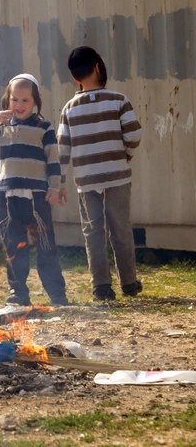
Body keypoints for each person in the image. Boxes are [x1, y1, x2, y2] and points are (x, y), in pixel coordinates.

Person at [58, 46, 143, 302]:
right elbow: (134, 134)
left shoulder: (69, 108)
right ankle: (129, 282)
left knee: (93, 231)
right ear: (98, 67)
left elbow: (63, 148)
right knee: (121, 228)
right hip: (117, 174)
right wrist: (124, 155)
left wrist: (59, 180)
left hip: (86, 180)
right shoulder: (118, 100)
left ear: (75, 77)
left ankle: (101, 287)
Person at [0, 74, 69, 306]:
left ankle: (57, 294)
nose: (19, 105)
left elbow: (53, 160)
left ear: (35, 101)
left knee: (45, 245)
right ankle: (18, 292)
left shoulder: (44, 127)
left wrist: (55, 188)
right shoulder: (2, 126)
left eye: (25, 100)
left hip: (37, 197)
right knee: (13, 245)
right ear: (7, 100)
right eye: (14, 99)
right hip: (8, 196)